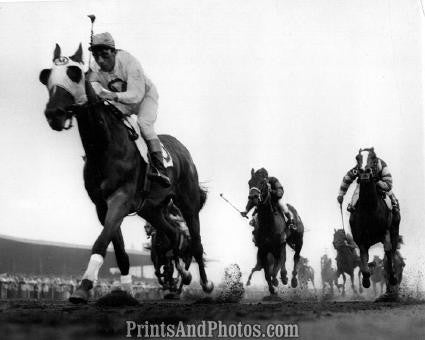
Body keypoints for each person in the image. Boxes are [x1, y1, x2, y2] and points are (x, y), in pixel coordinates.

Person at [87, 32, 170, 187]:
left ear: (114, 51)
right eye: (96, 56)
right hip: (123, 101)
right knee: (105, 118)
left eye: (105, 55)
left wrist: (110, 95)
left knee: (144, 124)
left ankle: (160, 169)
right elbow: (88, 87)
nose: (100, 61)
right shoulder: (95, 68)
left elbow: (135, 96)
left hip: (145, 97)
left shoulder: (129, 62)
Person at [337, 148, 400, 212]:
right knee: (355, 196)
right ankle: (352, 207)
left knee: (390, 195)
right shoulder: (358, 168)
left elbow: (388, 184)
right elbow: (348, 178)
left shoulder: (381, 165)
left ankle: (394, 205)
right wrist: (341, 194)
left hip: (379, 185)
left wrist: (378, 181)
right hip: (363, 186)